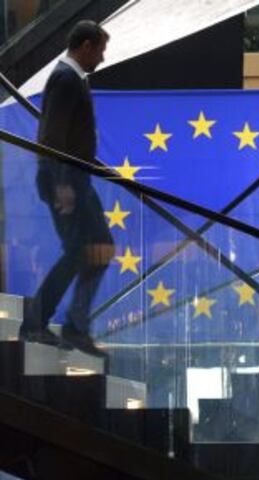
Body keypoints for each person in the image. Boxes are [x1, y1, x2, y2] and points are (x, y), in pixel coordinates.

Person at [19, 20, 114, 357]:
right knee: (82, 250)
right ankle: (39, 323)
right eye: (101, 49)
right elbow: (52, 135)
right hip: (65, 180)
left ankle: (74, 324)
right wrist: (61, 184)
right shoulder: (65, 77)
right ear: (86, 46)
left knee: (100, 246)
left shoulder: (72, 78)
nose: (102, 58)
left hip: (74, 178)